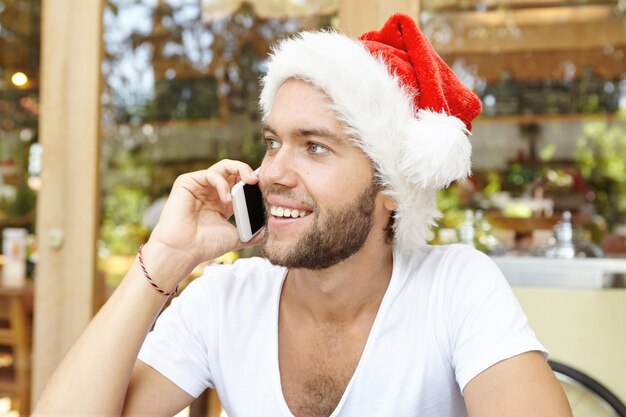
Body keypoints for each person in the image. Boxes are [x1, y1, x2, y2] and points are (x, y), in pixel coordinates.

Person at [34, 14, 572, 417]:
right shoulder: (225, 299)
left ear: (391, 186)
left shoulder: (455, 288)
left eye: (314, 147)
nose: (271, 173)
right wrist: (164, 260)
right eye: (273, 142)